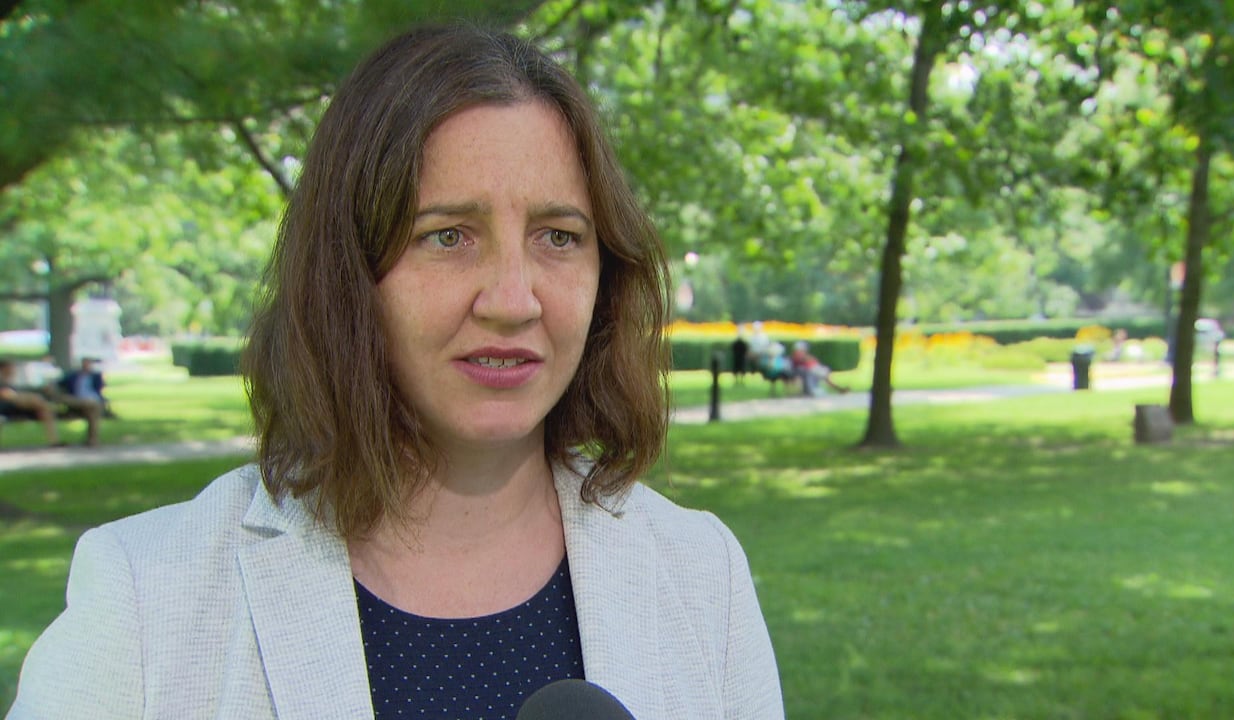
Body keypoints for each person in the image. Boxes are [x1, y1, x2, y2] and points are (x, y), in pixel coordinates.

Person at [9, 24, 784, 720]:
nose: (514, 301)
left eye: (557, 235)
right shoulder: (146, 597)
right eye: (448, 236)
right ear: (347, 276)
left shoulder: (700, 573)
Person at [0, 359, 65, 447]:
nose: (13, 370)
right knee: (36, 401)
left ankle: (54, 441)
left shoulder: (12, 381)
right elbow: (6, 394)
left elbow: (22, 391)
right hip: (5, 406)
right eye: (10, 368)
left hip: (18, 406)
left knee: (43, 408)